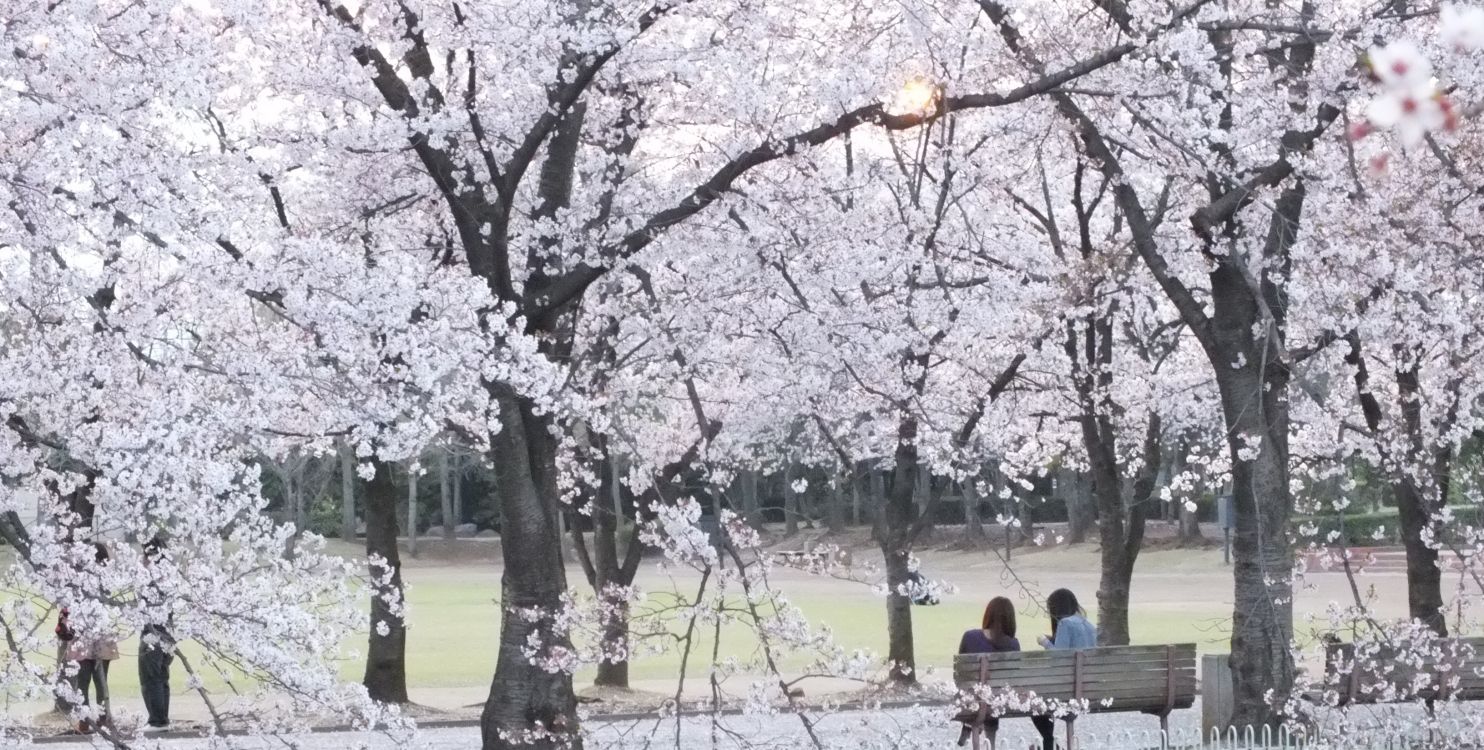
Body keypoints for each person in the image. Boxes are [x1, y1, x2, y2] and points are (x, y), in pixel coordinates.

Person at [1030, 588, 1097, 750]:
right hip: (1087, 690)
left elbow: (1058, 657)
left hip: (1068, 692)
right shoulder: (1089, 626)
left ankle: (1049, 741)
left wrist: (1044, 642)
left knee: (1034, 701)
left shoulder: (1065, 623)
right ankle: (1050, 743)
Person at [956, 597, 1019, 746]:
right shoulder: (1013, 644)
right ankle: (991, 741)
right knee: (994, 693)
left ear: (988, 615)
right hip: (1000, 700)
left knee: (980, 692)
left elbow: (960, 673)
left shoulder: (970, 637)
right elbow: (1013, 677)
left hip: (972, 697)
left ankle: (969, 725)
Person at [69, 543, 118, 734]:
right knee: (101, 680)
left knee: (83, 681)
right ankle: (104, 720)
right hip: (102, 633)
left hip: (83, 633)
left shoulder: (79, 577)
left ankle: (84, 722)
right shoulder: (106, 577)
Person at [139, 535, 175, 733]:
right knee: (161, 676)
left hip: (153, 630)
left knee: (150, 676)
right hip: (168, 630)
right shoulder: (170, 572)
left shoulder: (151, 575)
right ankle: (161, 718)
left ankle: (157, 720)